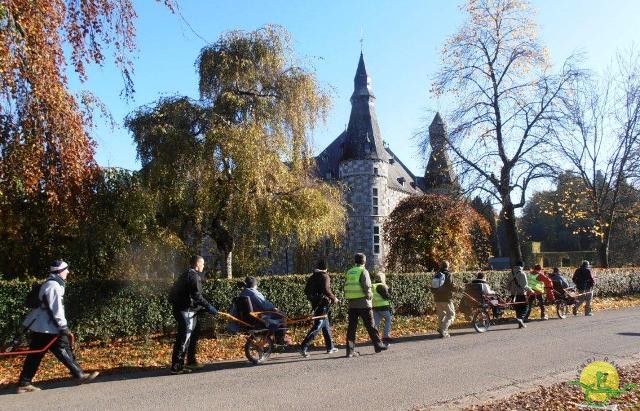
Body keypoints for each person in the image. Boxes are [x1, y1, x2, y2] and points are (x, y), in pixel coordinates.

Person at [17, 260, 99, 393]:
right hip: (49, 327)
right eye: (66, 269)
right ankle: (79, 375)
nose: (68, 272)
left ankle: (24, 383)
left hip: (42, 326)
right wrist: (63, 326)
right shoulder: (54, 285)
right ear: (60, 271)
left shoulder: (52, 283)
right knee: (62, 348)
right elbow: (56, 308)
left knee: (36, 355)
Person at [169, 255, 219, 375]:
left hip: (188, 309)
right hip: (185, 311)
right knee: (184, 337)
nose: (203, 266)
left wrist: (200, 308)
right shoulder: (193, 276)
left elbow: (188, 295)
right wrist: (208, 307)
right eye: (202, 264)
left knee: (194, 334)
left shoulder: (187, 274)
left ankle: (191, 361)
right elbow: (197, 296)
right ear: (197, 264)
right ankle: (176, 367)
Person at [344, 253, 388, 358]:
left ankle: (349, 351)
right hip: (363, 304)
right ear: (364, 261)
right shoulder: (363, 271)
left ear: (355, 261)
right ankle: (378, 345)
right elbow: (367, 286)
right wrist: (370, 296)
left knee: (351, 328)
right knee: (371, 326)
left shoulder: (349, 272)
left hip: (352, 304)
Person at [299, 259, 339, 357]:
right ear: (325, 268)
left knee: (325, 325)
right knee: (318, 325)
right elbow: (326, 290)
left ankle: (330, 347)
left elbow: (306, 290)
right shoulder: (325, 276)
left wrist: (313, 299)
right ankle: (304, 346)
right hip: (323, 303)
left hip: (315, 303)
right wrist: (334, 299)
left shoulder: (312, 276)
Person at [239, 276, 287, 344]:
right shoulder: (254, 293)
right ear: (255, 285)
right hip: (258, 318)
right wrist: (274, 309)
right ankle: (279, 339)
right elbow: (265, 304)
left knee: (278, 316)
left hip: (248, 318)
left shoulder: (243, 293)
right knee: (282, 315)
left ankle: (275, 338)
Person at [431, 261, 456, 338]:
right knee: (451, 314)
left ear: (441, 266)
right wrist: (458, 288)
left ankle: (440, 328)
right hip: (446, 298)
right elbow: (451, 286)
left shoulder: (437, 274)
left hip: (437, 298)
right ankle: (443, 330)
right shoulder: (449, 274)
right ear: (447, 266)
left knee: (441, 315)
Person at [508, 261, 531, 329]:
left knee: (518, 309)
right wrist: (531, 290)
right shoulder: (522, 273)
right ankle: (521, 318)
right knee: (526, 307)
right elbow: (524, 286)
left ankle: (520, 323)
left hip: (513, 294)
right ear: (522, 266)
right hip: (521, 293)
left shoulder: (510, 273)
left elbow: (508, 284)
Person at [372, 272, 393, 343]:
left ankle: (375, 338)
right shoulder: (381, 286)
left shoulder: (372, 286)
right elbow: (387, 297)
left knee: (376, 323)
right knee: (388, 319)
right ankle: (386, 336)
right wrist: (389, 290)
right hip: (383, 307)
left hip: (375, 307)